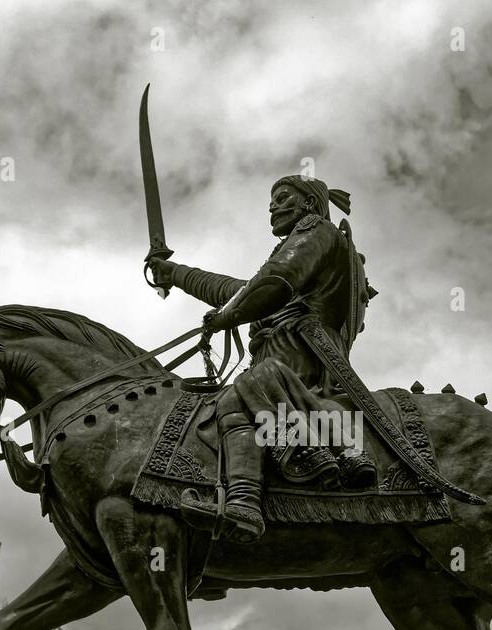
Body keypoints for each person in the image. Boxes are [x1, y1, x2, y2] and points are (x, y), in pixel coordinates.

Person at [149, 174, 377, 543]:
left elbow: (274, 282)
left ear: (309, 203)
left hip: (305, 360)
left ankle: (318, 453)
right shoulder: (297, 256)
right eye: (271, 200)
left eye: (284, 197)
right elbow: (238, 291)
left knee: (251, 383)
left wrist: (224, 319)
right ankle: (243, 502)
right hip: (276, 362)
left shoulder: (318, 231)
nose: (272, 206)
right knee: (233, 402)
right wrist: (175, 273)